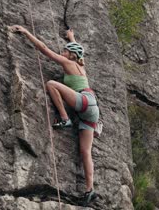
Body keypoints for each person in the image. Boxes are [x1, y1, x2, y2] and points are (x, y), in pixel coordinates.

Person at [8, 25, 99, 206]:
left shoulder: (68, 63)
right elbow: (79, 51)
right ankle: (90, 189)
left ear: (71, 55)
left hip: (84, 101)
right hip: (91, 109)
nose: (62, 52)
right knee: (85, 151)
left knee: (51, 84)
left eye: (65, 51)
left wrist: (26, 32)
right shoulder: (81, 65)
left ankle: (64, 118)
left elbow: (44, 49)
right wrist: (71, 38)